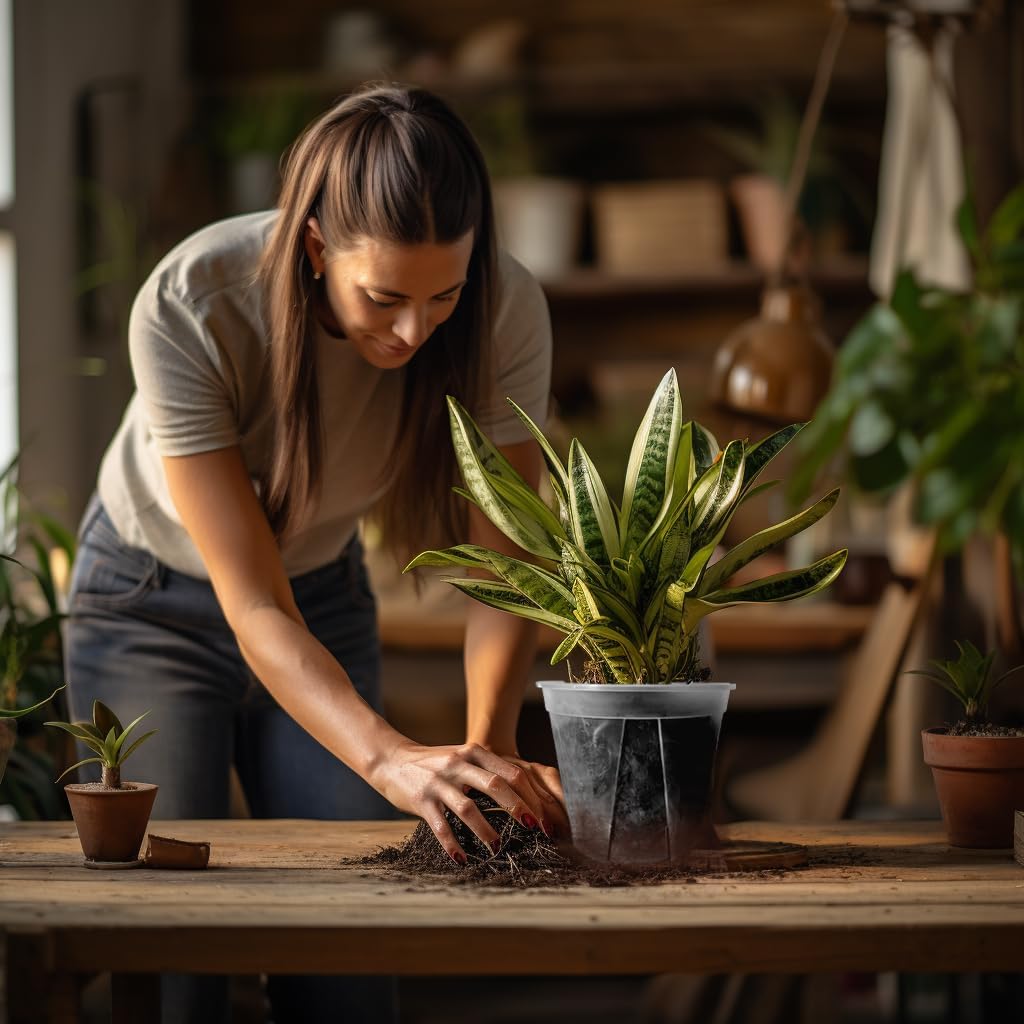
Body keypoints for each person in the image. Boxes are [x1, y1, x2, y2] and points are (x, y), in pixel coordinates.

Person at [65, 83, 566, 1024]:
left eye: (444, 296)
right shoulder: (191, 301)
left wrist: (485, 748)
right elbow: (252, 607)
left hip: (325, 592)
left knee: (352, 932)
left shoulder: (507, 310)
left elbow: (510, 567)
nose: (417, 333)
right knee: (183, 950)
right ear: (313, 247)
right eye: (384, 297)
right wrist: (389, 758)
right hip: (147, 604)